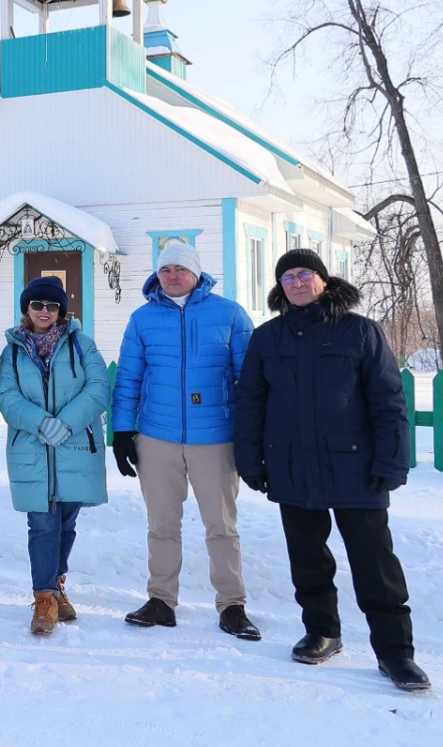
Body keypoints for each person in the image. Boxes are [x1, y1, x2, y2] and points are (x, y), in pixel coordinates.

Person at [235, 249, 429, 692]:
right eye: (288, 277)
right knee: (308, 559)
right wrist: (251, 460)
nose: (297, 283)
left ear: (323, 279)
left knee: (375, 563)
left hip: (355, 467)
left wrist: (391, 459)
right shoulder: (268, 338)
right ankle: (323, 630)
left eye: (305, 274)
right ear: (279, 287)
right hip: (291, 467)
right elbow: (250, 402)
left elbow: (388, 402)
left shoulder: (361, 332)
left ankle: (396, 653)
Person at [112, 241, 260, 640]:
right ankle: (161, 600)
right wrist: (123, 431)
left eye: (180, 268)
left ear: (197, 273)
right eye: (165, 270)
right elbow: (128, 378)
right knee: (161, 525)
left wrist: (249, 432)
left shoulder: (229, 314)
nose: (172, 275)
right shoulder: (143, 319)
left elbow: (249, 380)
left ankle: (232, 605)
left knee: (221, 527)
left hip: (215, 439)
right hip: (157, 438)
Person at [0, 275, 109, 635]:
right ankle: (43, 596)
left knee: (66, 524)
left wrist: (66, 423)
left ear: (61, 311)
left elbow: (98, 389)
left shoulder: (82, 345)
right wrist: (43, 423)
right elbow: (8, 398)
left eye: (52, 306)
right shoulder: (13, 351)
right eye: (37, 305)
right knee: (42, 524)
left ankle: (56, 585)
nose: (44, 311)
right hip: (33, 447)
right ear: (26, 309)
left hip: (74, 447)